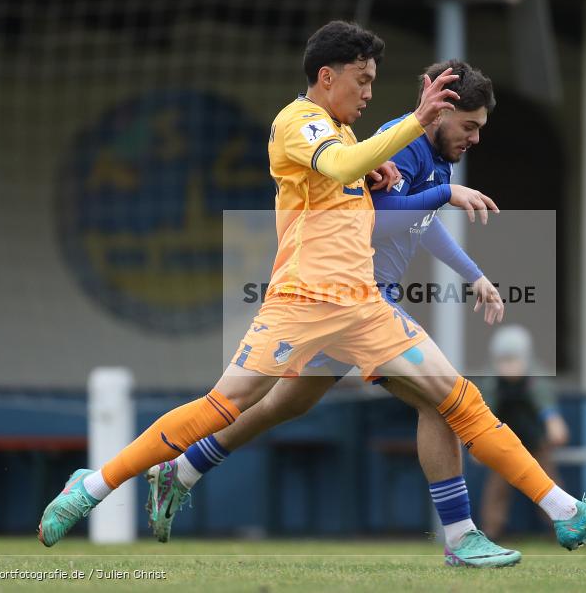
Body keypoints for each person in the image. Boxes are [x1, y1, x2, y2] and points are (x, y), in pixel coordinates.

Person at [38, 20, 586, 557]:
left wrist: (450, 245)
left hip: (362, 305)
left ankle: (564, 513)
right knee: (229, 406)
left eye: (374, 81)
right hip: (300, 302)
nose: (370, 92)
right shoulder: (296, 123)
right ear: (327, 77)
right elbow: (349, 175)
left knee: (458, 400)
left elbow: (363, 190)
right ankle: (92, 486)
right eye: (362, 79)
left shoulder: (349, 135)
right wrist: (418, 153)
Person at [146, 58, 516, 568]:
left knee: (280, 405)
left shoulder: (433, 155)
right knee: (441, 402)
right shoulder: (400, 143)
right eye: (469, 126)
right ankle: (465, 535)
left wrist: (472, 273)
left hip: (348, 300)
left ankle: (181, 470)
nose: (474, 138)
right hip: (356, 300)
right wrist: (444, 194)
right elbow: (381, 221)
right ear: (440, 110)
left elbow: (422, 219)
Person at [478, 325, 569, 540]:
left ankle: (562, 524)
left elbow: (544, 403)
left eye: (514, 360)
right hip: (505, 445)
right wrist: (480, 444)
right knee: (496, 488)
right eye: (503, 361)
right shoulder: (492, 383)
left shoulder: (534, 380)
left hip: (535, 442)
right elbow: (483, 412)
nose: (509, 367)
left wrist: (553, 422)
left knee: (547, 482)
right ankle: (492, 530)